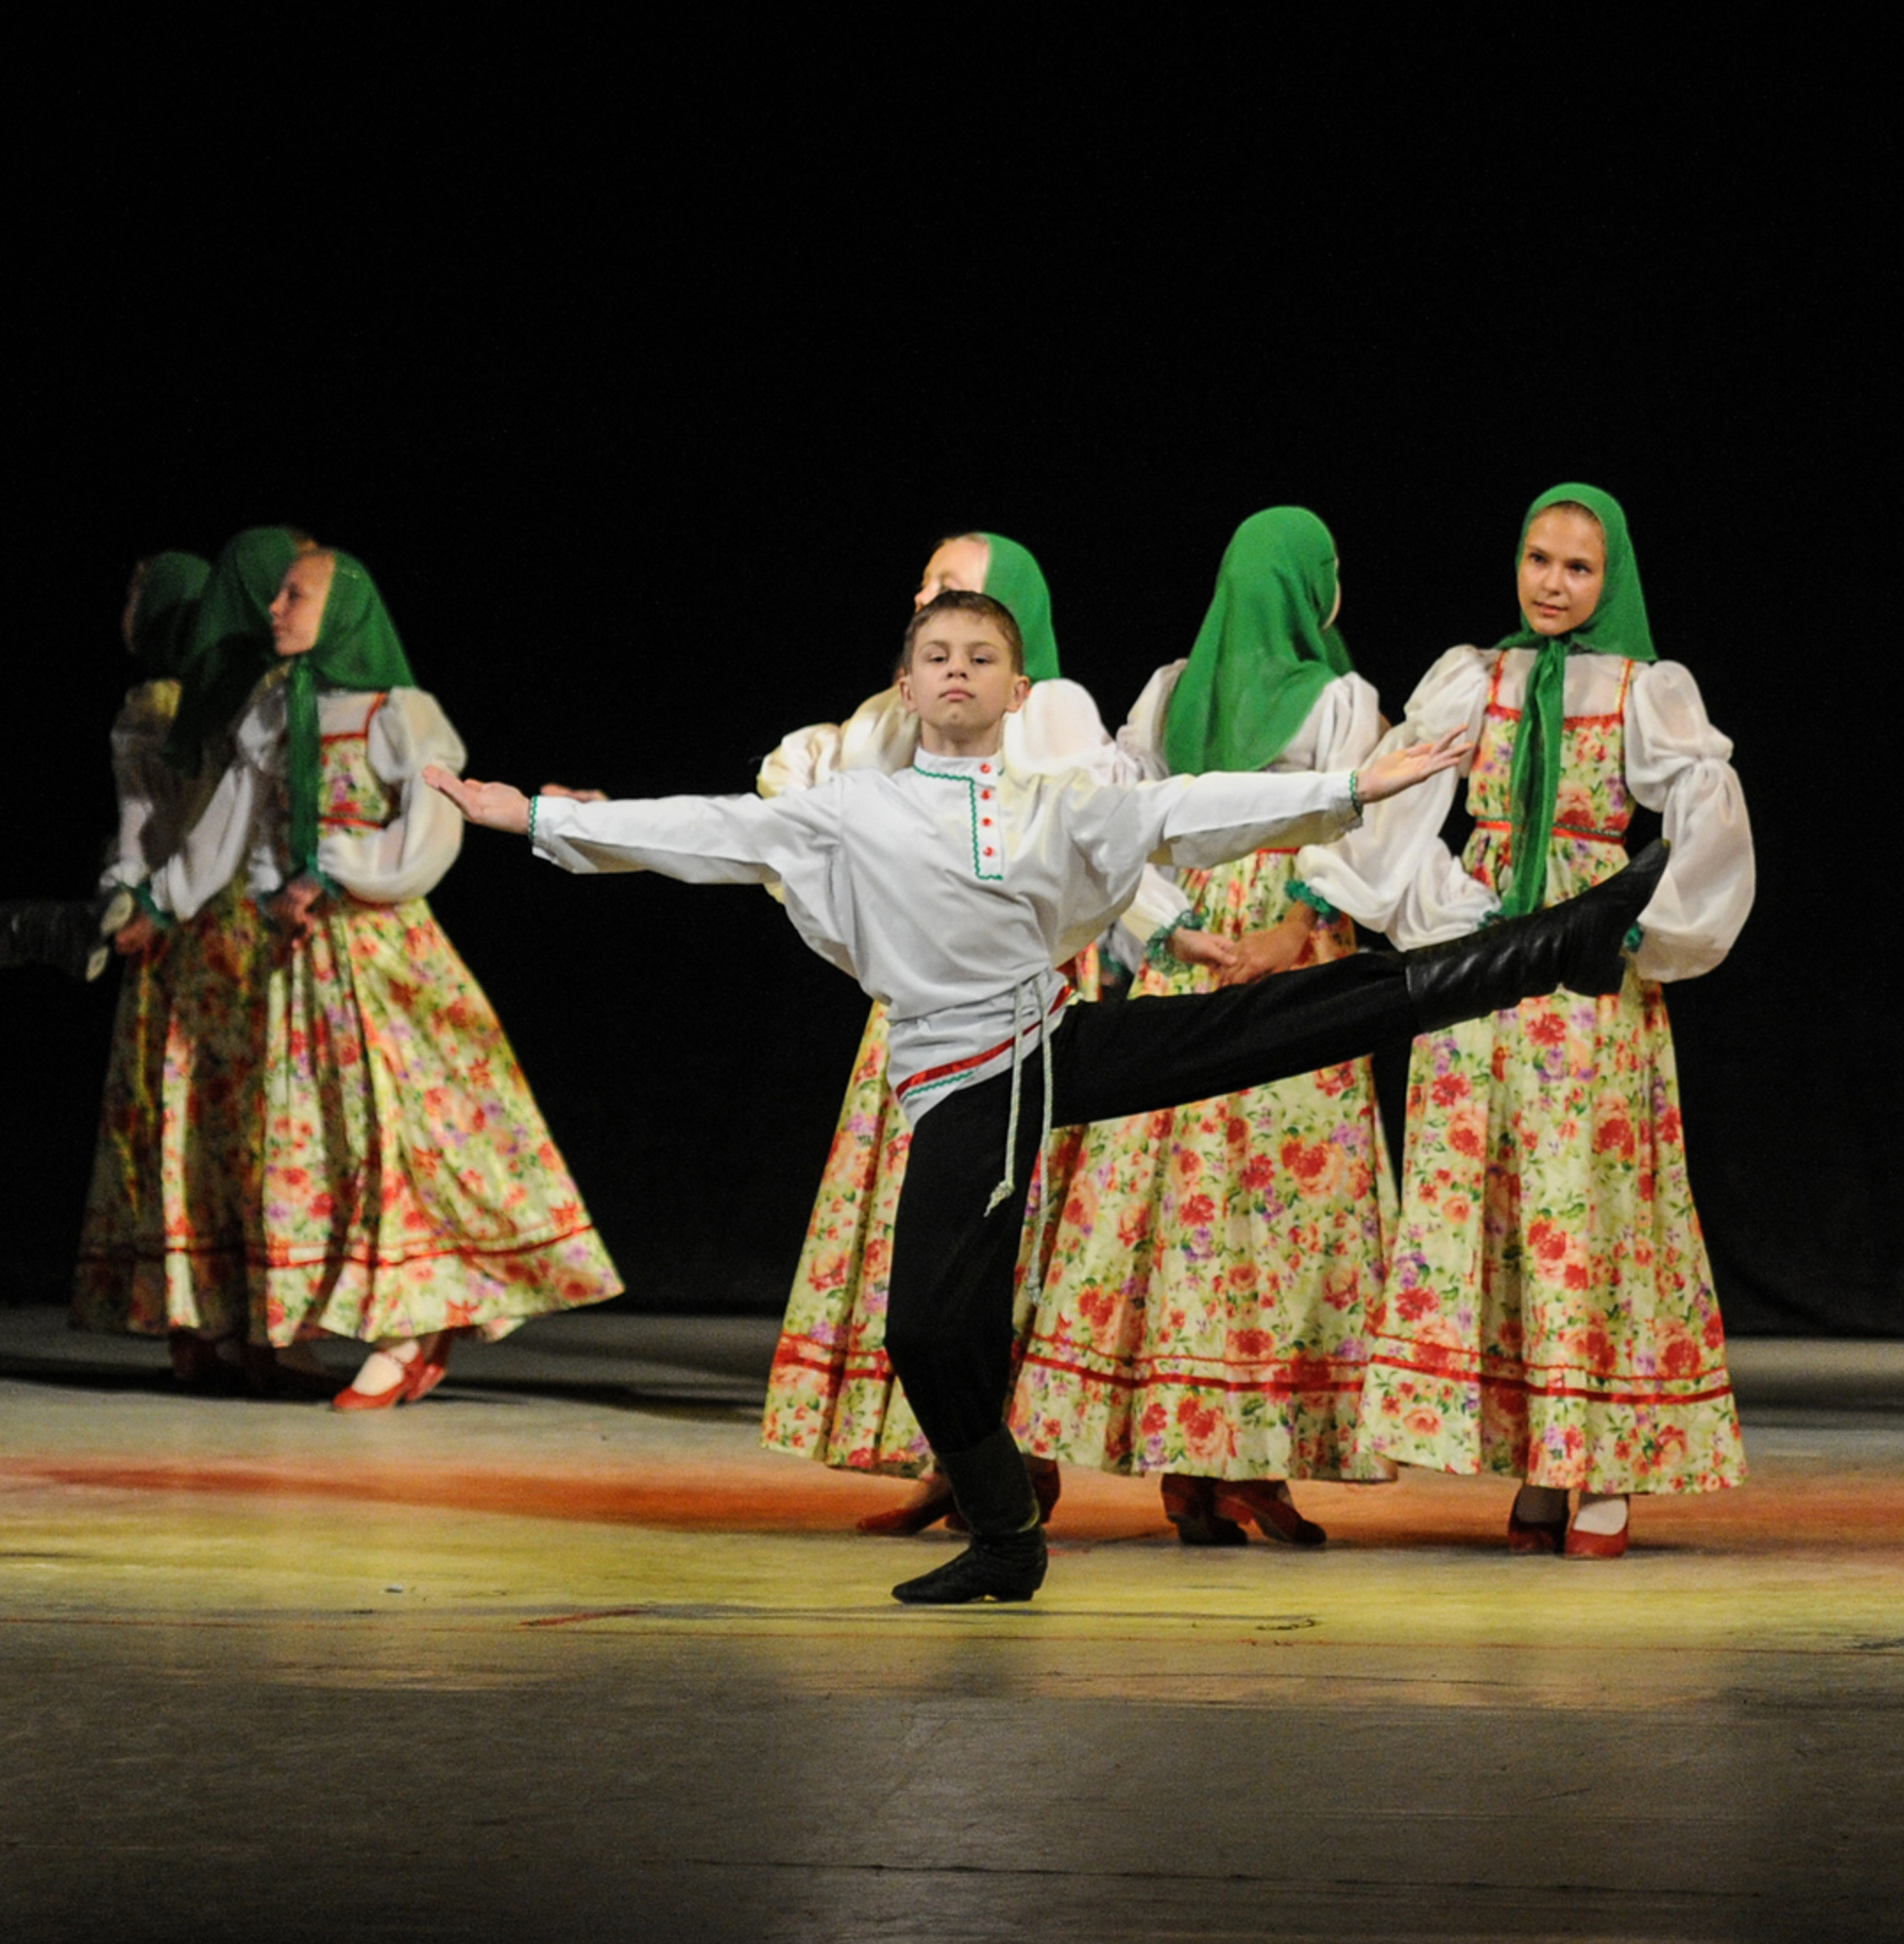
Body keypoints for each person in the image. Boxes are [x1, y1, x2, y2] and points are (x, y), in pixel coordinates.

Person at [426, 585, 1667, 1604]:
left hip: (1046, 1042)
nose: (955, 670)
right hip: (961, 1082)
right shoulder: (844, 811)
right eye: (934, 655)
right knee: (926, 1331)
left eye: (978, 656)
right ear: (905, 685)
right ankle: (1008, 1526)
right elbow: (697, 829)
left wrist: (1351, 790)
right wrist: (529, 816)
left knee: (1296, 1016)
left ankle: (1561, 941)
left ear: (1018, 693)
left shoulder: (1051, 800)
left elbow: (1188, 809)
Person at [1297, 484, 1755, 1557]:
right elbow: (1406, 799)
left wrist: (1646, 925)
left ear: (1611, 579)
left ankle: (1596, 1466)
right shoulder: (1476, 676)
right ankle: (1535, 1459)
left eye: (1577, 568)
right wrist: (1445, 906)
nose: (1552, 582)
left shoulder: (1647, 688)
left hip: (1584, 961)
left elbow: (1705, 808)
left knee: (1579, 1201)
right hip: (1486, 958)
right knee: (1491, 1194)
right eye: (1538, 559)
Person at [152, 545, 622, 1408]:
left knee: (397, 1135)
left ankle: (412, 1325)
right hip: (295, 965)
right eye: (280, 593)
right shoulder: (272, 707)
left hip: (378, 951)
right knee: (308, 1142)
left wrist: (334, 870)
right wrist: (167, 901)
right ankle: (304, 1325)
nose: (277, 609)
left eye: (299, 595)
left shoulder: (402, 714)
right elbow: (229, 826)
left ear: (345, 611)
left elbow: (430, 836)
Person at [1012, 507, 1397, 1545]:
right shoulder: (1339, 696)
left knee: (1188, 1207)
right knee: (1261, 1210)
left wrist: (1171, 928)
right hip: (1274, 949)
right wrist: (1290, 932)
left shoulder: (1168, 689)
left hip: (1188, 944)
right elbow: (1354, 820)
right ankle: (1232, 1467)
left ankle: (1205, 1468)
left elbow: (1119, 820)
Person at [758, 530, 1112, 1532]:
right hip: (922, 998)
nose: (927, 598)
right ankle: (954, 1454)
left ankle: (1011, 1456)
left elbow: (1096, 832)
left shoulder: (1052, 713)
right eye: (925, 585)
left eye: (950, 586)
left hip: (1016, 1002)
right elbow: (805, 771)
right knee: (923, 1236)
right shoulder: (892, 714)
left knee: (1014, 1230)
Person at [64, 554, 225, 1379]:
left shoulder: (168, 705)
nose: (125, 608)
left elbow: (151, 837)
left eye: (138, 595)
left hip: (181, 929)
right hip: (204, 926)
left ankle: (198, 1328)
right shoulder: (184, 703)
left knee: (182, 1120)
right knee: (199, 1124)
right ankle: (205, 1328)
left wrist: (128, 896)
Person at [2, 555, 208, 985]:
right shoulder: (226, 701)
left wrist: (119, 888)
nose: (127, 609)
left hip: (171, 907)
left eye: (135, 597)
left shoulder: (154, 705)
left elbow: (144, 817)